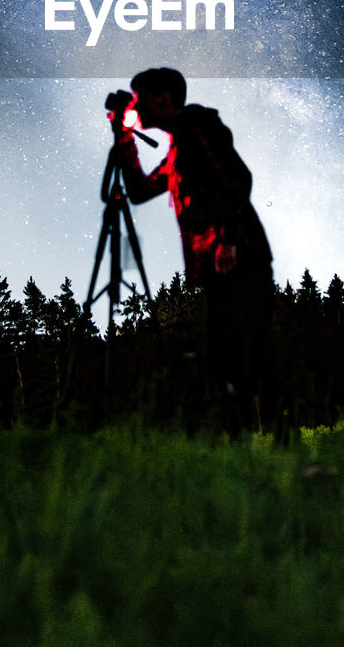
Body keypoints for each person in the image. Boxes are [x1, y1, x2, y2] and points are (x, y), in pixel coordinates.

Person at [114, 67, 273, 429]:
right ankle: (246, 437)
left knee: (240, 351)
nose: (136, 105)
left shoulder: (195, 124)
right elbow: (138, 191)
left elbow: (237, 178)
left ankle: (261, 435)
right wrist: (124, 137)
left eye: (140, 97)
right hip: (219, 263)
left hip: (238, 256)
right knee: (229, 353)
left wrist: (229, 240)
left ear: (163, 97)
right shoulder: (176, 150)